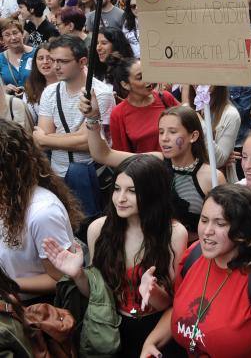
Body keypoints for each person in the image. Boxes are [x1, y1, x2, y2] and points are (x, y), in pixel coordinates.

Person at [42, 155, 188, 356]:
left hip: (157, 330)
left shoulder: (174, 233)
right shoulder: (98, 229)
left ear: (153, 193)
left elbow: (171, 305)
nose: (120, 198)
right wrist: (78, 275)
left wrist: (152, 290)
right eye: (117, 189)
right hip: (110, 329)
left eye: (132, 191)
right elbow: (97, 297)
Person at [139, 184, 251, 356]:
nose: (207, 231)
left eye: (220, 223)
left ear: (243, 230)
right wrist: (151, 342)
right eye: (204, 220)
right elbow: (178, 309)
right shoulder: (194, 254)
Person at [81, 91, 224, 239]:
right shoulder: (155, 162)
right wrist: (92, 118)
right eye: (161, 132)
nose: (164, 138)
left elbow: (222, 224)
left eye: (172, 132)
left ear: (193, 136)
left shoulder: (212, 177)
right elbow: (103, 154)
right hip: (154, 250)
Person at [0, 119, 82, 303]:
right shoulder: (6, 197)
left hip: (35, 312)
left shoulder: (43, 212)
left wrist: (8, 285)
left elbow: (61, 280)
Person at [33, 34, 115, 178]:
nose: (56, 67)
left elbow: (88, 143)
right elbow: (42, 140)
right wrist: (77, 138)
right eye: (53, 60)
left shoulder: (100, 94)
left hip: (90, 174)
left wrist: (46, 139)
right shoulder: (50, 92)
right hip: (57, 173)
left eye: (63, 61)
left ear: (82, 61)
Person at [107, 58, 180, 152]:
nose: (148, 80)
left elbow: (187, 122)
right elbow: (120, 153)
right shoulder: (118, 114)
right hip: (147, 166)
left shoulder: (165, 97)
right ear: (125, 85)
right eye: (140, 77)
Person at [22, 42, 57, 125]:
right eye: (41, 58)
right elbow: (29, 120)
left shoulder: (67, 84)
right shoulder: (31, 86)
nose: (45, 62)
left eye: (50, 58)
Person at [0, 19, 35, 96]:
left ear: (22, 34)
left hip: (36, 102)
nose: (13, 38)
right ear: (2, 40)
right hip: (13, 105)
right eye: (7, 35)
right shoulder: (1, 58)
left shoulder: (36, 54)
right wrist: (4, 88)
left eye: (15, 33)